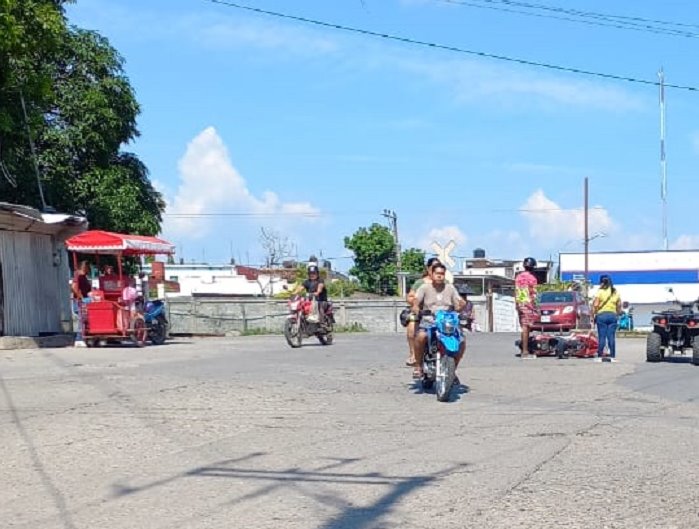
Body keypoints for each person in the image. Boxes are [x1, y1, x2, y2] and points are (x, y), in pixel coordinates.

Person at [411, 263, 466, 380]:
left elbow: (458, 304)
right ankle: (418, 366)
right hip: (429, 321)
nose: (440, 276)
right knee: (421, 336)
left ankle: (452, 371)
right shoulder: (424, 288)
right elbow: (416, 302)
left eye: (442, 274)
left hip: (447, 322)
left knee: (461, 341)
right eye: (437, 273)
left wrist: (461, 306)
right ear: (431, 274)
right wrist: (416, 310)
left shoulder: (450, 288)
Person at [404, 257, 442, 366]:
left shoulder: (445, 282)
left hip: (441, 314)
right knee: (412, 325)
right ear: (428, 268)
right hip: (422, 313)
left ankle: (450, 366)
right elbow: (410, 297)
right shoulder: (420, 283)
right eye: (433, 267)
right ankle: (414, 355)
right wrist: (417, 303)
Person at [592, 274, 622, 362]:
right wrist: (617, 313)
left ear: (601, 282)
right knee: (611, 337)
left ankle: (600, 356)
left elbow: (596, 304)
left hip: (601, 315)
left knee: (602, 337)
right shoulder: (615, 291)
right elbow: (619, 304)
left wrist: (593, 313)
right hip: (613, 315)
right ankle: (612, 356)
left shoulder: (600, 292)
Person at [515, 257, 539, 359]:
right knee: (526, 328)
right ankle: (525, 351)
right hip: (528, 304)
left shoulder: (519, 277)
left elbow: (516, 292)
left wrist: (517, 304)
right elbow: (533, 294)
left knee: (524, 327)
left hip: (520, 303)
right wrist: (535, 306)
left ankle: (524, 349)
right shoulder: (532, 278)